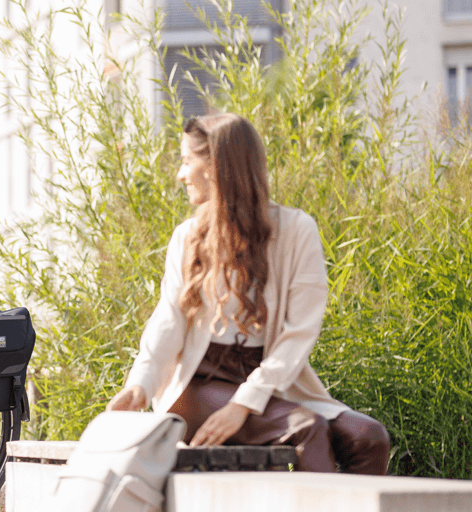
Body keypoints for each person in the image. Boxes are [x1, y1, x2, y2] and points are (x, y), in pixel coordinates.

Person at [106, 113, 390, 475]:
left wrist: (243, 403)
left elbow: (298, 333)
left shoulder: (297, 230)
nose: (180, 174)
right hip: (200, 382)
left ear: (216, 167)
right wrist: (141, 386)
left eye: (186, 161)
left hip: (272, 383)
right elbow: (169, 320)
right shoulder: (188, 236)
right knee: (306, 429)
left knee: (369, 437)